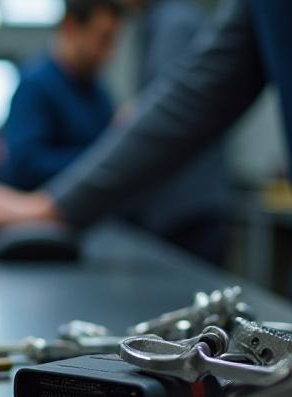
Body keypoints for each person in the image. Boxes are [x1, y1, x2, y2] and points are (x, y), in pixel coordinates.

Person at [0, 0, 292, 331]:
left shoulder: (166, 30)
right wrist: (51, 204)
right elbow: (195, 95)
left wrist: (53, 203)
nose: (106, 50)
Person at [118, 0, 231, 264]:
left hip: (185, 208)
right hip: (182, 206)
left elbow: (166, 114)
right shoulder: (160, 23)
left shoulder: (174, 24)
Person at [0, 0, 123, 191]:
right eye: (103, 38)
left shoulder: (98, 93)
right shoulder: (35, 85)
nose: (109, 53)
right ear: (71, 26)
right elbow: (25, 166)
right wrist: (104, 159)